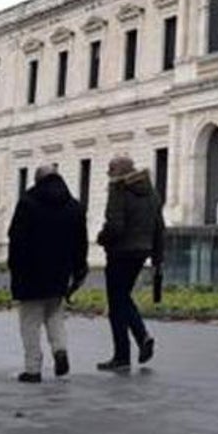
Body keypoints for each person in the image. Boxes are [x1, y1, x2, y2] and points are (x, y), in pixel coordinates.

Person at [7, 163, 89, 383]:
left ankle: (33, 369)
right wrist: (79, 269)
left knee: (30, 321)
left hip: (30, 272)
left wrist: (14, 269)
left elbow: (16, 239)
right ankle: (60, 350)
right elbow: (81, 243)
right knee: (55, 315)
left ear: (37, 180)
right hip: (60, 272)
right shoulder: (74, 207)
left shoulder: (27, 203)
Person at [95, 156, 164, 371]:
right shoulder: (151, 193)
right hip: (141, 251)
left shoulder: (119, 189)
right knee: (122, 298)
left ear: (120, 171)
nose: (108, 173)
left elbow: (115, 226)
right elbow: (159, 228)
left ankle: (125, 353)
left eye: (110, 169)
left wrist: (102, 238)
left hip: (120, 252)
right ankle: (138, 341)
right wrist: (157, 258)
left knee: (117, 302)